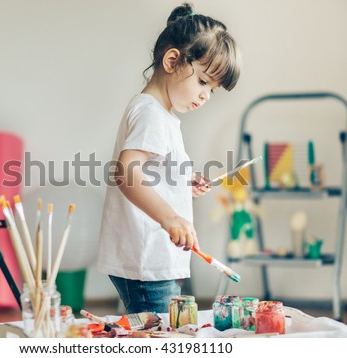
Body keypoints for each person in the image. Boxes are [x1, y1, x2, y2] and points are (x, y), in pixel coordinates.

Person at [97, 2, 241, 314]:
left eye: (212, 90)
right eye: (203, 82)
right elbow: (127, 173)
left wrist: (182, 181)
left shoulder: (160, 114)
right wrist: (170, 217)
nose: (205, 95)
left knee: (158, 330)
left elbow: (151, 172)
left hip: (153, 256)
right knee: (156, 334)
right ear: (172, 60)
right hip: (147, 258)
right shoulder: (151, 114)